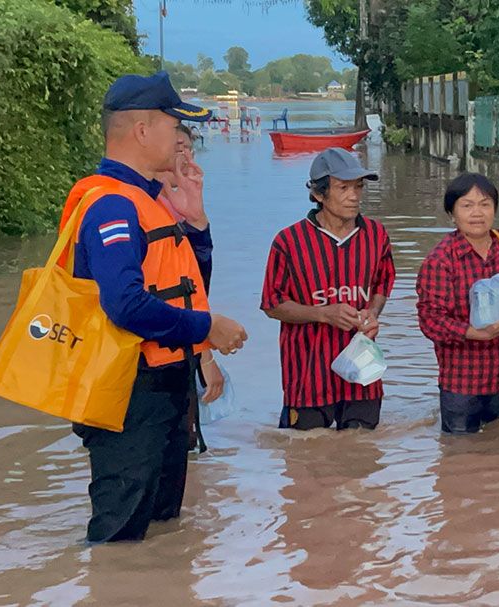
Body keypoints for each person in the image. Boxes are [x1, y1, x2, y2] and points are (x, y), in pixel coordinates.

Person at [59, 71, 249, 543]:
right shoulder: (111, 207)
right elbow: (125, 305)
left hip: (166, 378)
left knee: (164, 523)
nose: (183, 139)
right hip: (127, 386)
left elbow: (184, 286)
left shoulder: (154, 201)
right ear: (143, 131)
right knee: (120, 532)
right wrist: (208, 328)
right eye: (173, 126)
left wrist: (197, 221)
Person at [261, 148, 395, 431]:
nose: (354, 196)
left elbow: (383, 282)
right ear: (319, 194)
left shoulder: (376, 234)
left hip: (363, 375)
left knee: (363, 457)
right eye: (343, 188)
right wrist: (323, 314)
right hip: (308, 376)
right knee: (306, 460)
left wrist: (372, 312)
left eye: (358, 187)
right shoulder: (288, 241)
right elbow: (272, 304)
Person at [416, 173, 499, 434]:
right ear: (452, 213)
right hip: (462, 382)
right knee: (458, 457)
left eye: (485, 204)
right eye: (467, 205)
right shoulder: (441, 260)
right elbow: (431, 321)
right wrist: (477, 333)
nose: (477, 213)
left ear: (495, 210)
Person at [153, 124, 225, 448]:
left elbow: (197, 286)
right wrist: (206, 357)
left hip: (183, 341)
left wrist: (198, 221)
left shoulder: (185, 205)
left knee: (185, 443)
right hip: (160, 349)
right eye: (176, 146)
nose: (183, 154)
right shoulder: (146, 209)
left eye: (187, 147)